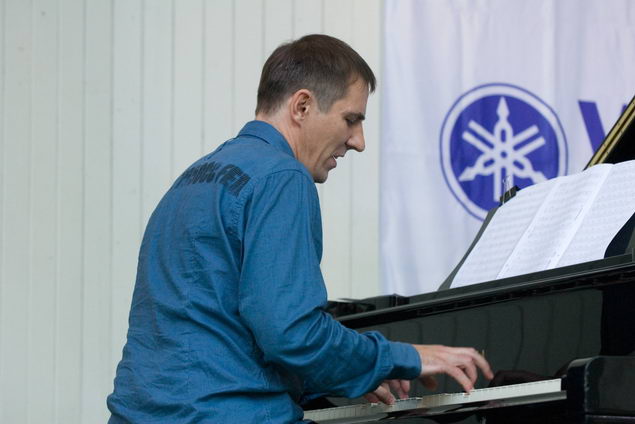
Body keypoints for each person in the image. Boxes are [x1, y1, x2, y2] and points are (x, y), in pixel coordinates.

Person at [107, 34, 493, 423]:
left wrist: (344, 375)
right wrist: (403, 357)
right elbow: (291, 334)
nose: (358, 141)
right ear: (302, 106)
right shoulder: (282, 176)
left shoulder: (191, 181)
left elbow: (220, 337)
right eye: (351, 119)